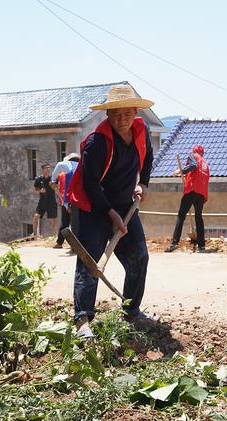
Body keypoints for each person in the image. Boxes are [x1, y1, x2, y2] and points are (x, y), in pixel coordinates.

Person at [66, 84, 156, 338]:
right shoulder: (97, 142)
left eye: (127, 114)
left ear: (136, 112)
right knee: (90, 264)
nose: (122, 120)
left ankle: (131, 311)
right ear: (107, 114)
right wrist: (110, 213)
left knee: (140, 256)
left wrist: (144, 184)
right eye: (116, 114)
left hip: (126, 206)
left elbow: (147, 158)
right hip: (93, 208)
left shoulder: (141, 130)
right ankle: (82, 320)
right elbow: (90, 184)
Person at [164, 144, 210, 253]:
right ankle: (201, 246)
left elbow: (193, 165)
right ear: (202, 153)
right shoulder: (205, 164)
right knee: (199, 217)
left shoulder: (193, 156)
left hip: (191, 190)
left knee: (181, 215)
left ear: (194, 152)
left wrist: (180, 171)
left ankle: (175, 242)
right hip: (201, 193)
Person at [49, 152, 80, 249]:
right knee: (77, 222)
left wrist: (53, 181)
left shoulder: (62, 172)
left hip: (67, 199)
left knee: (66, 222)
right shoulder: (80, 168)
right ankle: (74, 244)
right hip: (78, 199)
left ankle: (61, 243)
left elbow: (54, 182)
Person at [32, 163, 58, 236]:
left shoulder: (53, 178)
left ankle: (54, 235)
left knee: (53, 219)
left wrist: (53, 185)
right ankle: (33, 233)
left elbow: (56, 187)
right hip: (43, 201)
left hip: (52, 201)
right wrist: (41, 191)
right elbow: (35, 189)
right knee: (36, 216)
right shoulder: (38, 179)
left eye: (49, 167)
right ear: (43, 169)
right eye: (46, 168)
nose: (48, 169)